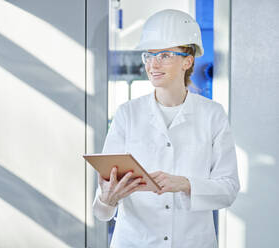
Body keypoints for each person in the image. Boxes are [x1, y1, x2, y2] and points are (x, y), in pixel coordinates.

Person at [92, 9, 240, 248]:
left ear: (188, 60)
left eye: (164, 55)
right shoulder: (127, 114)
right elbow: (101, 212)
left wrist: (185, 184)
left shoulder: (212, 114)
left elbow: (229, 189)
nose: (153, 64)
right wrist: (107, 200)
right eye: (149, 55)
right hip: (134, 241)